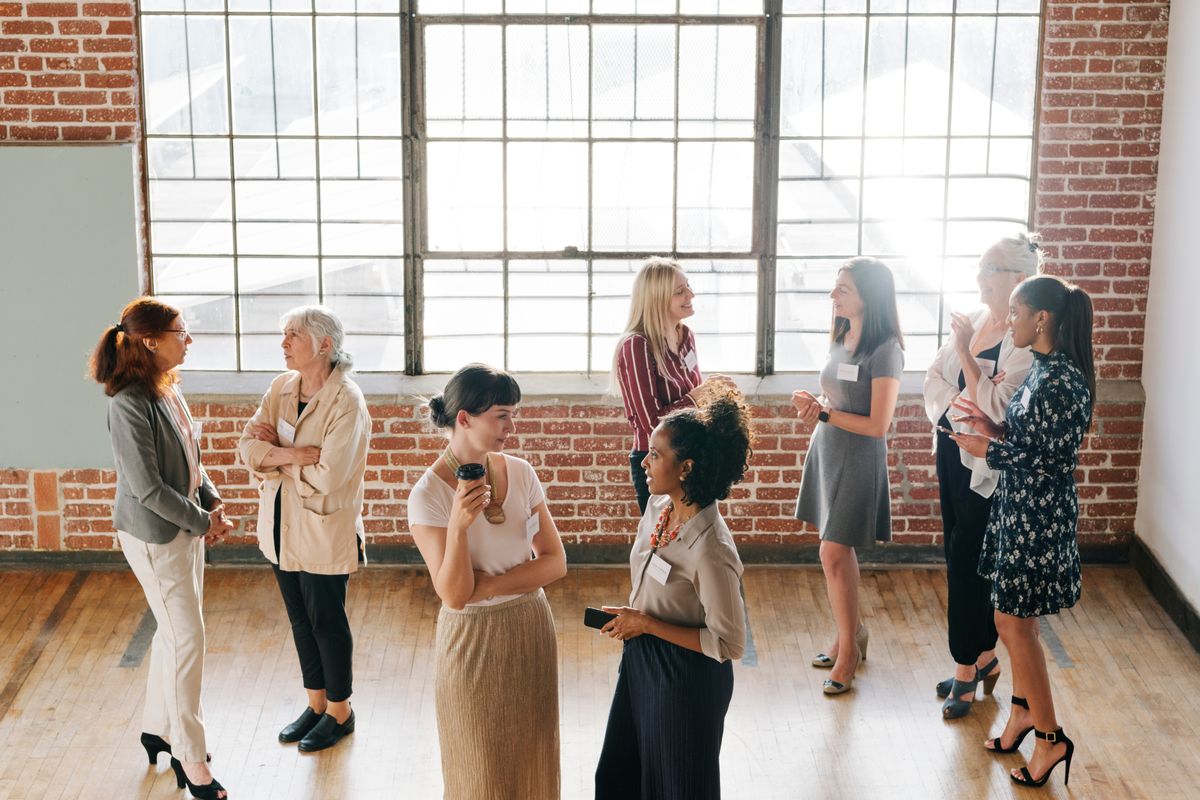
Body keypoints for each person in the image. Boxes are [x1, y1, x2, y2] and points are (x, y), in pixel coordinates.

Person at [949, 275, 1093, 788]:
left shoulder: (1063, 380)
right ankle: (1022, 712)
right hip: (1019, 509)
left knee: (1013, 624)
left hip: (1039, 518)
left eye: (1015, 312)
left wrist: (990, 449)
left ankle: (1051, 738)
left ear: (1042, 319)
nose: (1007, 321)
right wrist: (993, 430)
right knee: (1013, 623)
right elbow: (1030, 436)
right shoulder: (1042, 369)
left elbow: (1052, 460)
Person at [91, 298, 233, 800]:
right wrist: (202, 523)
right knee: (187, 640)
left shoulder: (167, 388)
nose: (188, 339)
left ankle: (157, 728)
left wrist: (211, 504)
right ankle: (191, 759)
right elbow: (148, 488)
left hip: (185, 529)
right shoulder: (128, 403)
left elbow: (191, 460)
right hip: (155, 537)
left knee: (175, 635)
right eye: (181, 331)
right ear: (151, 341)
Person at [407, 363, 567, 799]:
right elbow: (456, 596)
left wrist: (491, 586)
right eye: (502, 415)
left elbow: (554, 563)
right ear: (465, 418)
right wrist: (458, 527)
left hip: (529, 627)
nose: (510, 426)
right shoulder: (428, 495)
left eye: (512, 414)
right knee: (478, 769)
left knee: (534, 761)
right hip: (471, 641)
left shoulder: (522, 473)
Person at [595, 394, 752, 800]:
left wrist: (645, 622)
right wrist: (638, 619)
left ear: (686, 468)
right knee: (619, 777)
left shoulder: (712, 549)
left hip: (687, 680)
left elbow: (730, 644)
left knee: (678, 788)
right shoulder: (658, 506)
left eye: (655, 454)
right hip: (642, 659)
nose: (643, 462)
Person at [238, 306, 369, 753]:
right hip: (278, 526)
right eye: (284, 335)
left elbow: (329, 476)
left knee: (326, 622)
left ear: (324, 345)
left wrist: (274, 456)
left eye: (293, 335)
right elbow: (247, 447)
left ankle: (340, 711)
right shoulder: (281, 388)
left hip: (321, 529)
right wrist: (294, 456)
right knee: (299, 620)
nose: (284, 344)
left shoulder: (347, 401)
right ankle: (315, 704)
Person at [923, 233, 1039, 718]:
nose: (979, 277)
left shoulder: (1022, 340)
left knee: (969, 557)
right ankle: (984, 657)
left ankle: (965, 669)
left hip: (987, 465)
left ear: (1018, 278)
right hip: (952, 451)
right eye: (979, 267)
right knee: (957, 549)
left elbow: (999, 406)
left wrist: (966, 360)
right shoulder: (969, 320)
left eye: (989, 268)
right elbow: (933, 380)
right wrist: (966, 395)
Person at [793, 257, 904, 695]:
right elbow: (838, 393)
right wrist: (816, 403)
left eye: (843, 289)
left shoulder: (886, 348)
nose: (833, 296)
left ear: (867, 298)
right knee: (835, 551)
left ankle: (849, 654)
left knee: (833, 553)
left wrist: (825, 411)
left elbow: (879, 425)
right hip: (829, 447)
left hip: (858, 456)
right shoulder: (841, 330)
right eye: (835, 287)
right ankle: (849, 634)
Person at [613, 257, 735, 514]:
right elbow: (650, 423)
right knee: (662, 544)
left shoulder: (685, 335)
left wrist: (714, 393)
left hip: (690, 458)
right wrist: (697, 397)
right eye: (680, 291)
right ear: (657, 299)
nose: (690, 294)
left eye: (687, 286)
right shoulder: (636, 345)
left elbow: (696, 398)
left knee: (693, 539)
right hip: (657, 462)